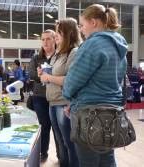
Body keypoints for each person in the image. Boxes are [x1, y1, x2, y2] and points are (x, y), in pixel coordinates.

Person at [62, 4, 128, 167]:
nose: (81, 30)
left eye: (82, 25)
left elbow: (73, 80)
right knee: (107, 159)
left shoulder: (93, 44)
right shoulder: (119, 45)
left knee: (88, 162)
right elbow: (119, 81)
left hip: (89, 114)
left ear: (93, 22)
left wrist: (69, 98)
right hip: (111, 112)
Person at [39, 18, 81, 167]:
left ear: (68, 33)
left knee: (69, 143)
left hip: (64, 103)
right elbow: (52, 76)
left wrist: (48, 76)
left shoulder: (74, 52)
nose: (56, 35)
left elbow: (70, 80)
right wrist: (44, 74)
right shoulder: (58, 54)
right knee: (60, 141)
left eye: (59, 32)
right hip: (53, 102)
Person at [29, 29, 60, 162]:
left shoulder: (60, 56)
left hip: (57, 96)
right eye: (43, 39)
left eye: (48, 39)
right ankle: (43, 153)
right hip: (40, 97)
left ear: (55, 40)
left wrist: (49, 76)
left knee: (58, 127)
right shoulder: (36, 58)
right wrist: (41, 75)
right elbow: (31, 75)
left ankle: (61, 155)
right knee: (44, 125)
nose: (45, 42)